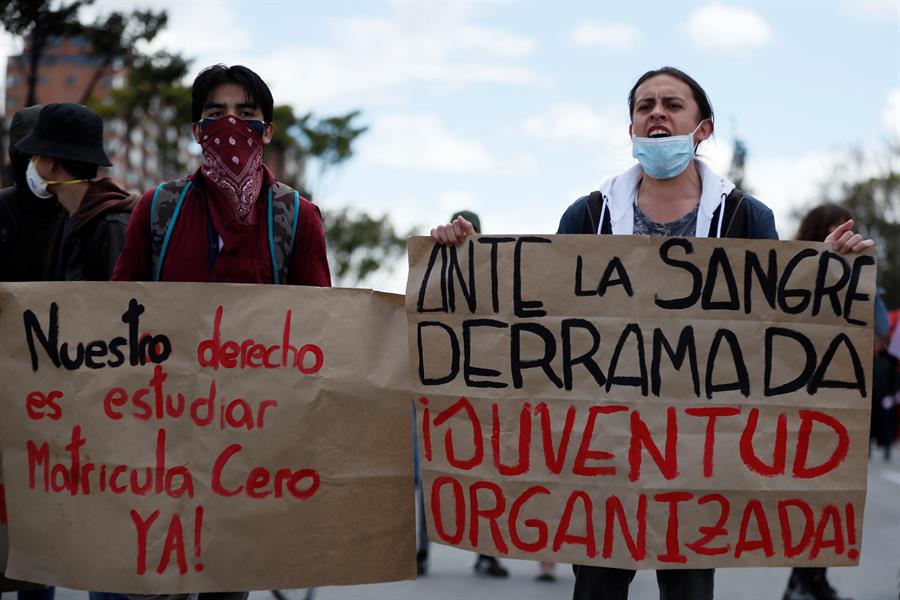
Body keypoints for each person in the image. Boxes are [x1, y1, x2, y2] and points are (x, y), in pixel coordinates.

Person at [432, 66, 873, 600]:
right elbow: (540, 315)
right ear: (632, 128)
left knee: (689, 590)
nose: (657, 113)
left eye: (672, 104)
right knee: (596, 588)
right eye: (645, 106)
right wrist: (464, 260)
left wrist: (828, 274)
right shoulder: (588, 215)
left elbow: (777, 325)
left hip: (699, 456)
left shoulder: (745, 217)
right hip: (601, 451)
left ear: (703, 128)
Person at [111, 64, 330, 600]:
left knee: (226, 586)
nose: (231, 125)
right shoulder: (156, 210)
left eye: (246, 114)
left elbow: (320, 331)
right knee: (153, 587)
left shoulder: (298, 218)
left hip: (249, 449)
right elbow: (114, 317)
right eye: (216, 114)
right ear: (196, 131)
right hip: (161, 443)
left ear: (267, 131)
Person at [13, 103, 136, 281]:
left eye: (34, 157)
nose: (31, 164)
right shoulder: (66, 216)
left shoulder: (111, 226)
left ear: (51, 163)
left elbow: (122, 294)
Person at [0, 104, 68, 282]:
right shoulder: (4, 207)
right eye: (32, 155)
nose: (46, 167)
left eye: (49, 155)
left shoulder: (75, 208)